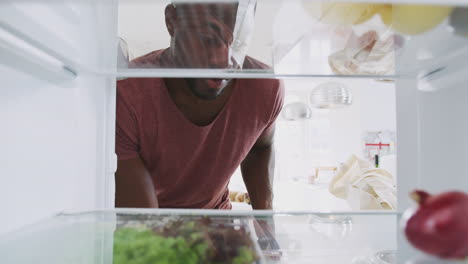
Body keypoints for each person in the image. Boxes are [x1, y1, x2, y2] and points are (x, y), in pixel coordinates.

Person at [115, 1, 284, 211]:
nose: (224, 62)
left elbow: (261, 146)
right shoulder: (127, 93)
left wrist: (266, 230)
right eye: (208, 40)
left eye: (237, 44)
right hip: (152, 226)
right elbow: (142, 221)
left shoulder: (264, 88)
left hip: (218, 221)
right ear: (172, 21)